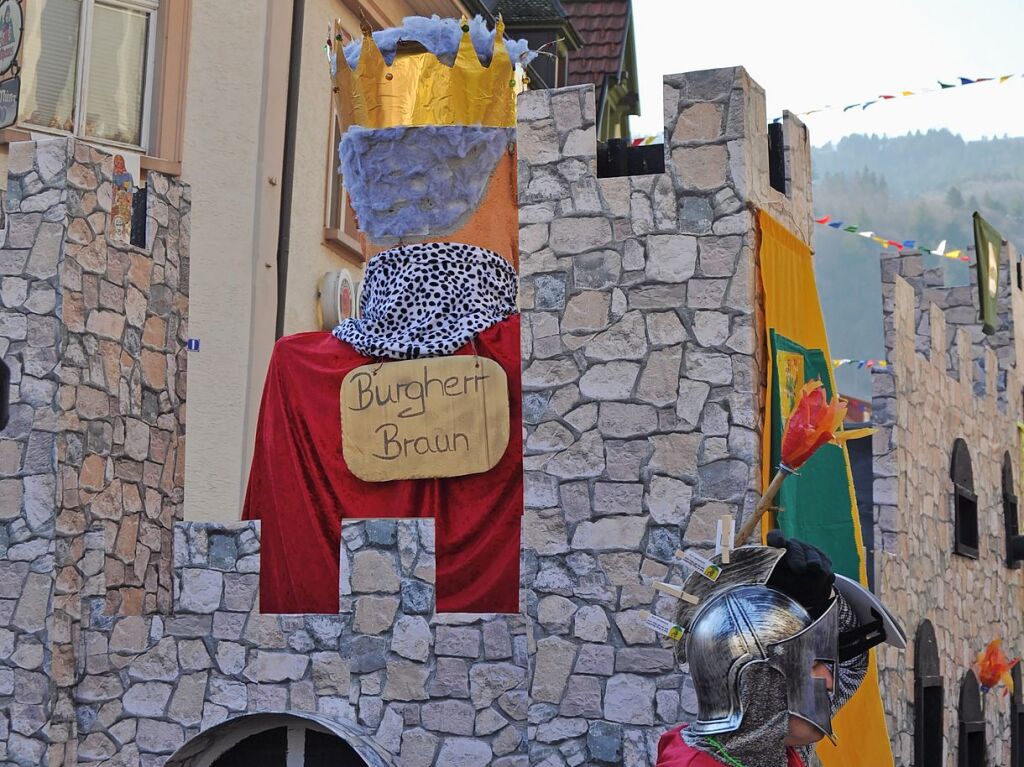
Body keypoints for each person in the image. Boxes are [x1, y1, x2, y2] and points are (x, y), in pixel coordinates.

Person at [656, 532, 905, 767]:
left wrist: (824, 601)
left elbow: (852, 663)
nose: (830, 681)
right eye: (811, 664)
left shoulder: (773, 751)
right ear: (756, 681)